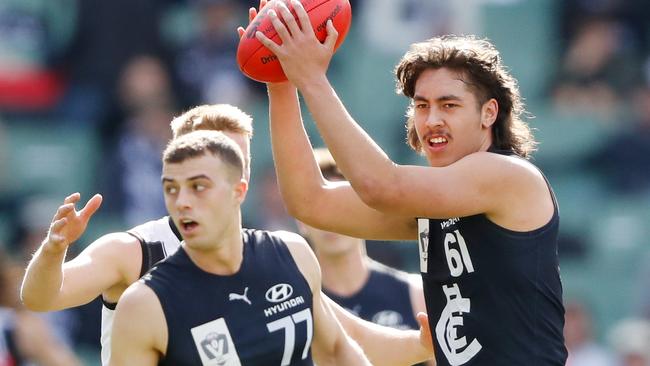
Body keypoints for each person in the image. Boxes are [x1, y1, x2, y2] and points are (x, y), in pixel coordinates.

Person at [255, 1, 568, 364]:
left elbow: (381, 186)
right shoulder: (434, 205)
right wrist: (280, 84)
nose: (431, 119)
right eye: (421, 106)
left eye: (449, 105)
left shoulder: (509, 176)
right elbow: (310, 202)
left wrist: (311, 78)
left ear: (489, 113)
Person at [21, 104, 433, 365]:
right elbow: (41, 298)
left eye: (243, 161)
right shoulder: (135, 252)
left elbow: (343, 339)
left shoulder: (276, 251)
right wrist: (55, 248)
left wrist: (420, 346)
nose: (241, 174)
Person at [109, 130, 371, 364]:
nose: (182, 202)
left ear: (239, 191)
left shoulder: (293, 254)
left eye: (198, 187)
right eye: (171, 189)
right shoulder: (145, 304)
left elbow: (336, 350)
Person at [300, 148, 433, 366]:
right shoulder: (296, 303)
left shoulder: (416, 294)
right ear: (301, 219)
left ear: (364, 212)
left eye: (342, 207)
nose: (331, 221)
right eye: (321, 210)